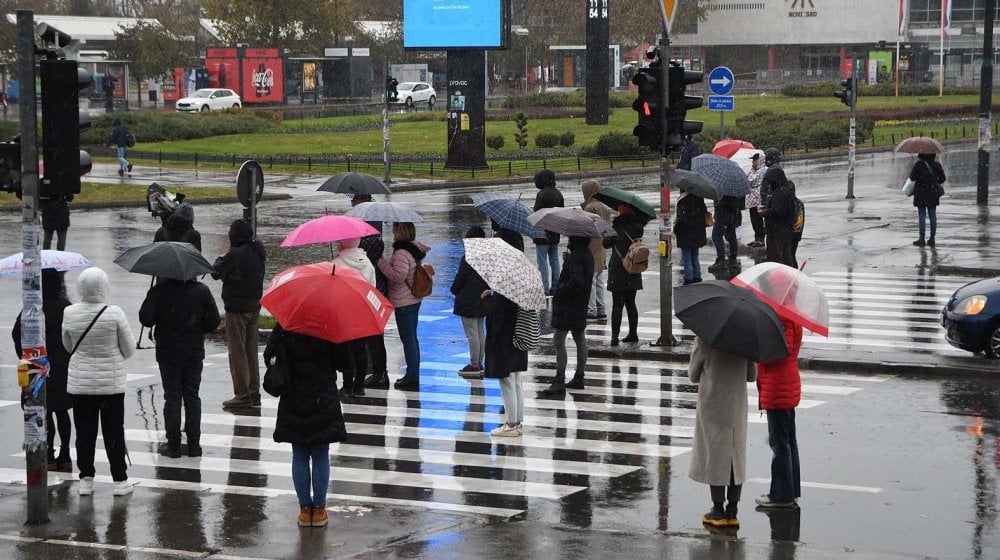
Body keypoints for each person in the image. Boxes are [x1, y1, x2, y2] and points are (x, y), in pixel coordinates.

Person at [62, 267, 137, 496]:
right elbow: (129, 348)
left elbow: (67, 346)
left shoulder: (70, 312)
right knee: (113, 432)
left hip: (80, 385)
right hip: (111, 386)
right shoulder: (114, 313)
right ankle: (120, 481)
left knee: (84, 433)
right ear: (105, 287)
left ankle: (86, 479)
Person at [265, 324, 347, 528]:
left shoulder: (287, 324)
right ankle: (319, 511)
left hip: (294, 396)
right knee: (320, 453)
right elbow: (345, 363)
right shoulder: (329, 325)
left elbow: (269, 355)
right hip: (323, 396)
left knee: (299, 453)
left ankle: (304, 510)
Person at [139, 275, 221, 458]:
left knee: (173, 397)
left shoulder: (159, 292)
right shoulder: (201, 291)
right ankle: (194, 445)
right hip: (193, 350)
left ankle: (174, 445)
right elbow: (214, 320)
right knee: (192, 396)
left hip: (168, 352)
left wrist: (153, 295)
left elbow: (146, 319)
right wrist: (197, 329)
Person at [687, 336, 757, 528]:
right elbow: (752, 375)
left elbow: (693, 375)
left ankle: (717, 509)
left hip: (713, 404)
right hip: (736, 404)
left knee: (715, 453)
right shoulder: (745, 340)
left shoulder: (705, 340)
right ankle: (733, 510)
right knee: (735, 454)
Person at [13, 269, 73, 472]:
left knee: (44, 412)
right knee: (62, 411)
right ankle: (65, 454)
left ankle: (48, 455)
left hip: (37, 368)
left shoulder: (32, 309)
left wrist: (26, 355)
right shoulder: (65, 307)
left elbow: (16, 334)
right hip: (62, 366)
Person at [212, 218, 266, 409]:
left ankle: (242, 394)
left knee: (237, 352)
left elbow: (215, 272)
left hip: (236, 309)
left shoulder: (234, 255)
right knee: (251, 351)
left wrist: (221, 258)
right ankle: (254, 391)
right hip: (254, 307)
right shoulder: (258, 250)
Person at [483, 229, 529, 436]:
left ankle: (511, 424)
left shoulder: (506, 274)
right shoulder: (522, 269)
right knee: (516, 379)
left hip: (504, 334)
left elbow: (500, 308)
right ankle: (517, 422)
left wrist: (489, 299)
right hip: (518, 332)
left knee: (507, 380)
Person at [755, 317, 804, 509]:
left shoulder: (782, 317)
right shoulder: (791, 313)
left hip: (778, 385)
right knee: (788, 441)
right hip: (784, 383)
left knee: (780, 443)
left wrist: (758, 354)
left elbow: (782, 349)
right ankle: (791, 491)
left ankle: (781, 494)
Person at [376, 222, 430, 391]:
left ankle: (412, 376)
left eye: (395, 230)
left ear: (401, 232)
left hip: (403, 301)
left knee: (408, 340)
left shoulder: (401, 252)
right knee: (412, 339)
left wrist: (381, 263)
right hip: (414, 298)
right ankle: (413, 373)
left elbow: (399, 276)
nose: (393, 233)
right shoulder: (414, 248)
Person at [543, 236, 593, 394]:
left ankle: (559, 379)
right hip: (580, 304)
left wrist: (561, 288)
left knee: (558, 340)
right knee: (579, 338)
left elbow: (576, 281)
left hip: (568, 306)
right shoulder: (587, 254)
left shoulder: (577, 256)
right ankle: (579, 376)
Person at [332, 237, 376, 396]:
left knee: (346, 349)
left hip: (344, 312)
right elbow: (373, 287)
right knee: (360, 349)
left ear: (343, 243)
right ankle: (359, 386)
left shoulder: (337, 263)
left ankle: (347, 385)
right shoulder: (367, 263)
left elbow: (332, 290)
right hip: (363, 310)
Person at [604, 203, 648, 346]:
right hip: (633, 267)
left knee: (617, 305)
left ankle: (614, 337)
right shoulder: (638, 227)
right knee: (631, 302)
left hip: (618, 268)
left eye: (620, 208)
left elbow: (606, 243)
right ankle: (633, 333)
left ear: (623, 210)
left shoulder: (616, 228)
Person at [450, 226, 489, 379]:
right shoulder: (486, 257)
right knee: (479, 332)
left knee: (472, 333)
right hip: (481, 299)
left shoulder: (469, 257)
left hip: (467, 300)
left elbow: (461, 277)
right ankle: (479, 362)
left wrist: (453, 289)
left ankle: (474, 364)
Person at [361, 233, 390, 390]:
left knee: (373, 343)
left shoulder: (368, 267)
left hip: (369, 310)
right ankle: (381, 373)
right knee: (378, 342)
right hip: (379, 310)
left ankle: (379, 375)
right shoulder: (379, 267)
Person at [581, 180, 610, 321]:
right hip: (601, 246)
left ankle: (591, 310)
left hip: (591, 246)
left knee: (590, 280)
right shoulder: (603, 207)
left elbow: (586, 228)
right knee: (599, 280)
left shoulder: (589, 208)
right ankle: (601, 309)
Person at [531, 169, 564, 294]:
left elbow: (537, 212)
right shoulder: (558, 194)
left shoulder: (542, 194)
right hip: (555, 230)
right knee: (554, 260)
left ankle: (544, 287)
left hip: (542, 232)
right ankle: (555, 286)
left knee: (542, 261)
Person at [760, 167, 796, 268]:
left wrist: (764, 212)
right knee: (786, 258)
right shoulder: (788, 189)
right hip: (786, 231)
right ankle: (788, 279)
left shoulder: (779, 192)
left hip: (776, 232)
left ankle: (779, 282)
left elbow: (777, 211)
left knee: (776, 261)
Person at [909, 153, 946, 247]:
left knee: (922, 215)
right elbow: (943, 179)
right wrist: (934, 180)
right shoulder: (937, 165)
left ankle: (922, 238)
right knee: (932, 215)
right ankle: (932, 238)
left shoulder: (918, 165)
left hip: (920, 192)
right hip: (933, 192)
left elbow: (912, 177)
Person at [673, 186, 708, 285]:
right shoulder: (699, 199)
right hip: (697, 233)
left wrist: (676, 230)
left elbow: (682, 220)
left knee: (687, 259)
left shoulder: (683, 201)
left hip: (686, 234)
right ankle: (697, 278)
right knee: (695, 257)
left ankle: (689, 280)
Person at [707, 194, 742, 273]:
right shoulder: (734, 187)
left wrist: (717, 203)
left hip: (722, 212)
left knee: (717, 236)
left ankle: (721, 259)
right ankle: (733, 258)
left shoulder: (721, 187)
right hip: (732, 212)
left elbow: (720, 202)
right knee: (731, 235)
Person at [745, 153, 766, 248]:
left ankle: (760, 239)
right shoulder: (753, 170)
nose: (753, 162)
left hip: (758, 198)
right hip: (751, 198)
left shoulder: (762, 170)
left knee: (758, 219)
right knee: (753, 219)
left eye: (754, 160)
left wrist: (747, 178)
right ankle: (757, 238)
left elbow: (751, 181)